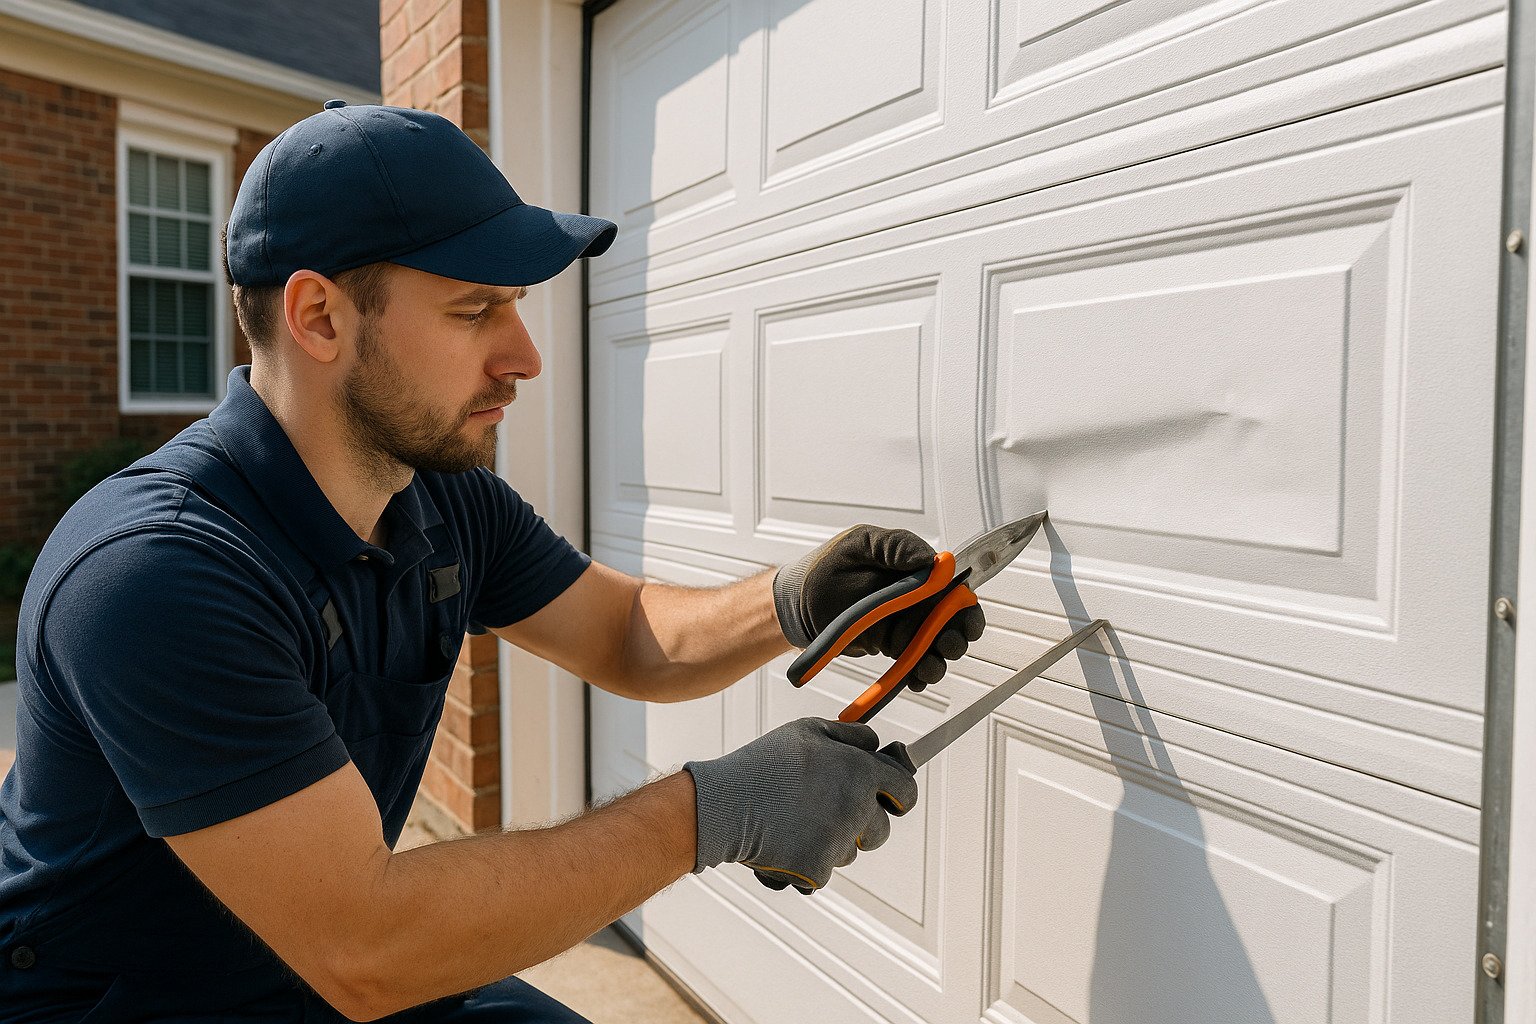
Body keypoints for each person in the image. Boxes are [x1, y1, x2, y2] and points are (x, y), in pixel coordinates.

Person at [0, 102, 985, 1022]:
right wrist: (715, 810)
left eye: (513, 306)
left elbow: (625, 633)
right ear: (319, 317)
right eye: (476, 311)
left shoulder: (436, 496)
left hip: (317, 974)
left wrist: (799, 601)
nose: (524, 355)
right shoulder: (157, 572)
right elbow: (368, 940)